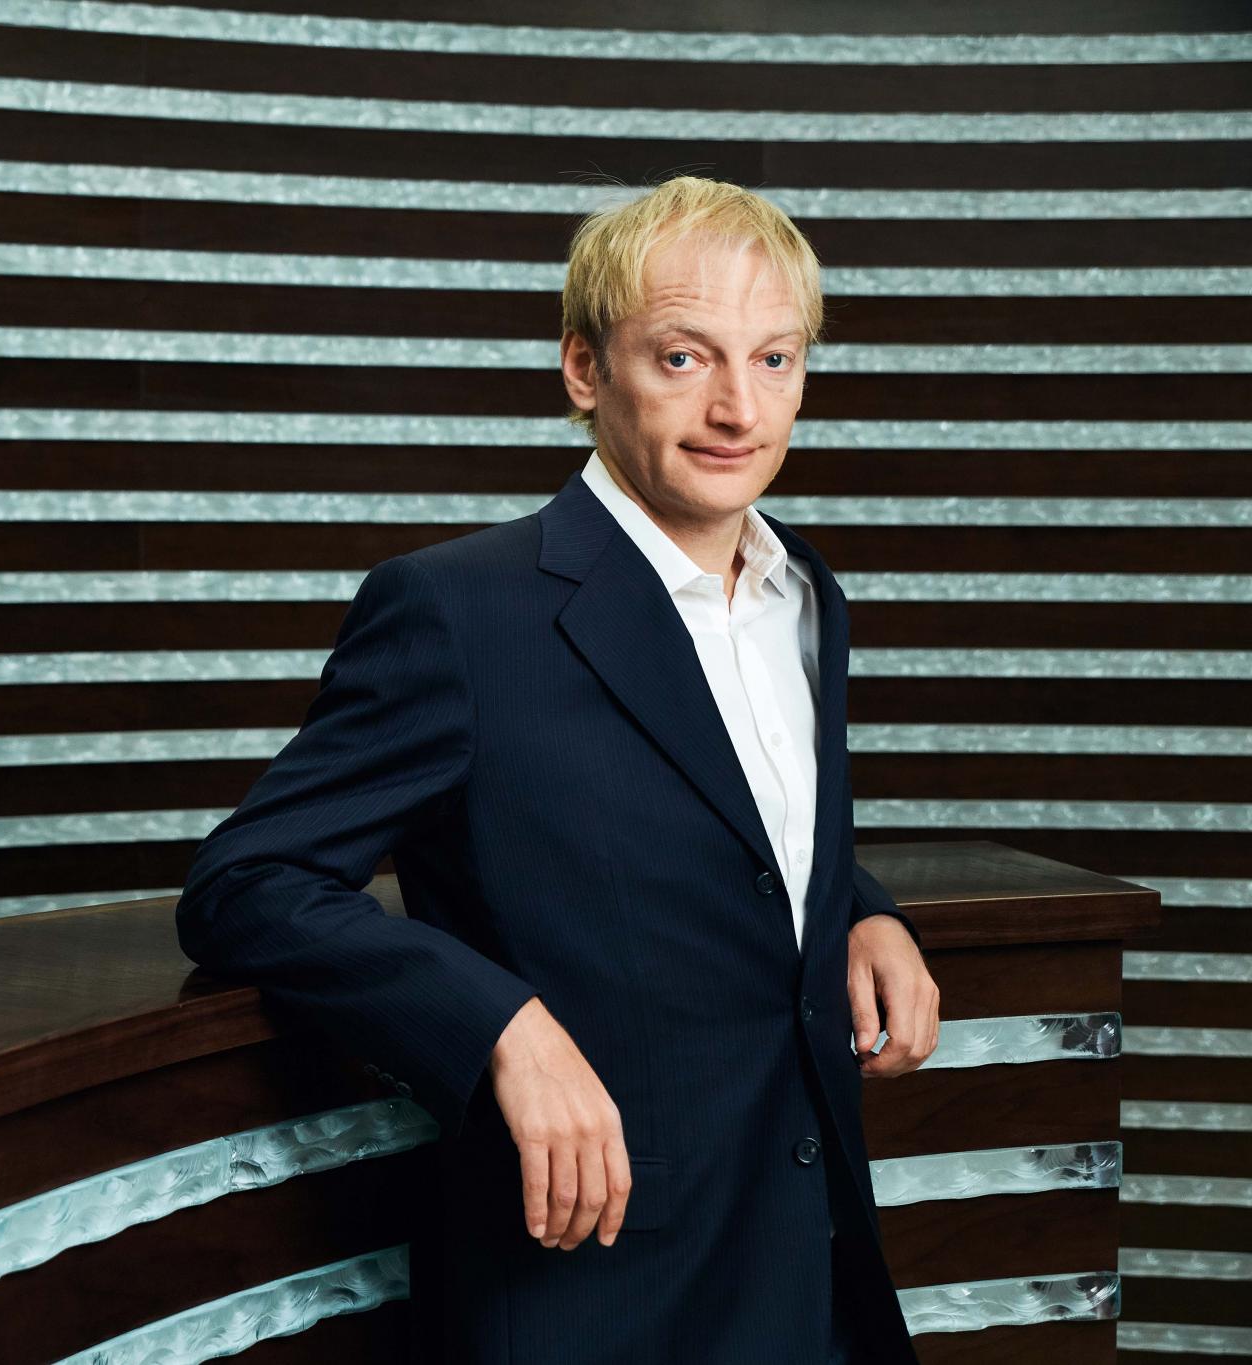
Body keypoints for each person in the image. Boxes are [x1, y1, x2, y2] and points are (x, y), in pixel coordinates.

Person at [176, 176, 941, 1364]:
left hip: (810, 1268)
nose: (737, 408)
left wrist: (854, 907)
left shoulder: (804, 593)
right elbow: (245, 884)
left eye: (773, 359)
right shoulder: (455, 612)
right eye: (682, 357)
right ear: (583, 370)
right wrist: (500, 1024)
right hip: (598, 1297)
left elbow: (725, 813)